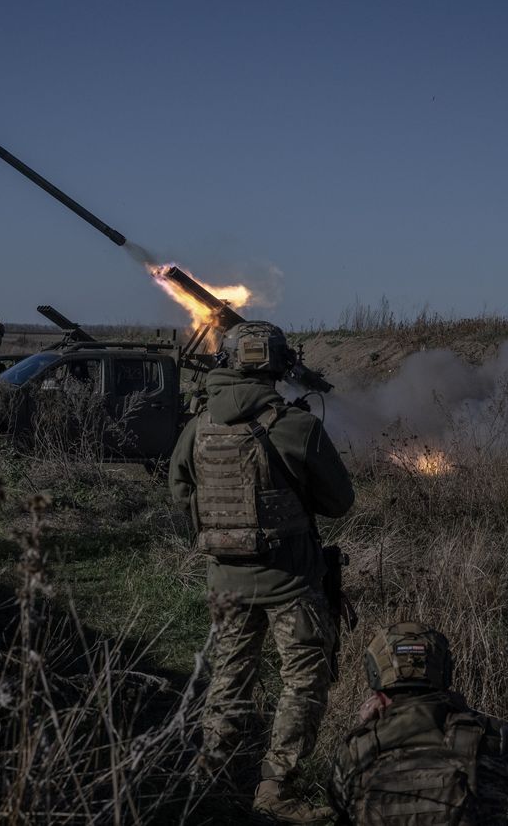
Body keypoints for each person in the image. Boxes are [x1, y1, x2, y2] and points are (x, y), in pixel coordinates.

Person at [169, 321, 355, 823]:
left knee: (229, 675)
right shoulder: (296, 427)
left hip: (225, 581)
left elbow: (181, 493)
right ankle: (277, 787)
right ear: (277, 365)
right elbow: (339, 502)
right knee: (303, 682)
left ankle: (209, 778)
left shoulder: (199, 425)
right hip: (291, 581)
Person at [330, 622, 508, 825]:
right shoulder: (494, 739)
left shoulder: (356, 751)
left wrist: (363, 728)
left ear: (375, 679)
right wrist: (467, 714)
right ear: (444, 672)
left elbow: (338, 801)